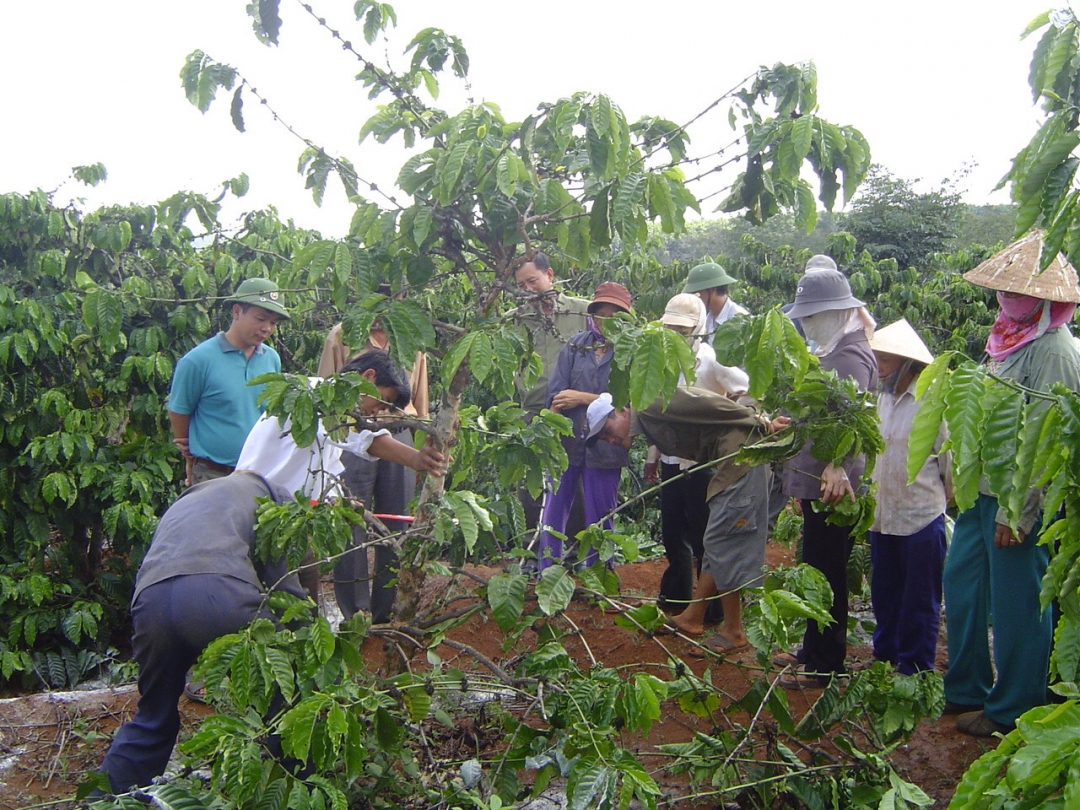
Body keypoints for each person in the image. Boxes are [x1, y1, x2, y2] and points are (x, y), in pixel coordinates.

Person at [943, 233, 1080, 737]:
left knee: (1019, 601)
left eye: (1018, 294)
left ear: (1046, 299)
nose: (1008, 301)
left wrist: (1017, 509)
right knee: (961, 582)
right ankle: (965, 688)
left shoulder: (1054, 350)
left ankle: (1016, 708)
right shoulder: (1006, 337)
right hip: (982, 489)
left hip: (1017, 498)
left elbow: (1047, 438)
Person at [97, 471, 308, 794]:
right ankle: (297, 789)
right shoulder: (276, 501)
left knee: (153, 717)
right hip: (217, 593)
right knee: (289, 697)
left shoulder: (193, 500)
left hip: (151, 603)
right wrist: (311, 647)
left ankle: (106, 799)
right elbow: (286, 589)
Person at [236, 351, 446, 625]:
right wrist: (415, 459)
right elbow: (364, 438)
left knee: (303, 602)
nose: (379, 411)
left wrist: (417, 460)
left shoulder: (335, 413)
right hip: (260, 514)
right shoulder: (313, 396)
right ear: (367, 377)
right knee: (276, 607)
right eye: (384, 399)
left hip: (292, 523)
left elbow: (355, 443)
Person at [588, 387, 788, 654]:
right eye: (602, 437)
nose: (608, 439)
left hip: (742, 459)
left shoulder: (649, 402)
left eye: (606, 430)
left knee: (725, 539)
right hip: (730, 462)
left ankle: (733, 631)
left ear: (622, 411)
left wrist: (760, 422)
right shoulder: (647, 421)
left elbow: (704, 400)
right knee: (716, 540)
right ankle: (694, 617)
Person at [779, 268, 878, 687]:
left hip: (832, 486)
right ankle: (813, 651)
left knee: (827, 571)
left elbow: (853, 418)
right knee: (817, 565)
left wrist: (837, 463)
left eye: (815, 315)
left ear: (838, 312)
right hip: (819, 479)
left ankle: (825, 664)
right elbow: (824, 413)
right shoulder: (836, 348)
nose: (809, 323)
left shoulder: (851, 355)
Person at [644, 294, 749, 615]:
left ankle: (712, 610)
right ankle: (675, 599)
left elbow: (744, 387)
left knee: (706, 535)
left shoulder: (710, 359)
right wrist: (653, 455)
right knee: (673, 532)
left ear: (698, 328)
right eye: (671, 328)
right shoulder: (661, 360)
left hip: (704, 462)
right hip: (673, 460)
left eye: (683, 329)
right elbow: (660, 413)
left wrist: (731, 419)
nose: (677, 335)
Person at [318, 321, 429, 623]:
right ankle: (355, 613)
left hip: (399, 432)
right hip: (354, 431)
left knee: (396, 523)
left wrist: (421, 450)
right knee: (351, 519)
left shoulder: (411, 333)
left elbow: (419, 400)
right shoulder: (342, 335)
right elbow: (327, 390)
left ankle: (387, 610)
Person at [868, 319, 951, 675]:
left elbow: (948, 462)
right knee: (884, 594)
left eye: (884, 360)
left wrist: (940, 503)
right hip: (883, 514)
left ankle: (915, 668)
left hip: (921, 515)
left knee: (919, 599)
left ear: (906, 363)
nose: (878, 367)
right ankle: (884, 655)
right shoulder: (882, 398)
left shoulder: (931, 402)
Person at [536, 282, 631, 570]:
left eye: (614, 316)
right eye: (600, 314)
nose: (605, 322)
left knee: (601, 515)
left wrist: (583, 398)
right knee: (554, 511)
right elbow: (555, 394)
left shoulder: (632, 352)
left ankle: (599, 577)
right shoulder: (575, 346)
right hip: (568, 441)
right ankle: (547, 570)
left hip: (607, 444)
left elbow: (630, 405)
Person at [168, 278, 289, 486]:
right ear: (236, 312)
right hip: (213, 475)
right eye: (260, 319)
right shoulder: (198, 361)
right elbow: (179, 409)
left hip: (259, 473)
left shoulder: (271, 359)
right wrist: (190, 457)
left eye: (273, 323)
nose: (266, 328)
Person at [509, 252, 591, 538]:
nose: (528, 289)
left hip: (574, 411)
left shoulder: (583, 311)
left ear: (550, 275)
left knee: (574, 480)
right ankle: (532, 549)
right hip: (533, 412)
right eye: (521, 285)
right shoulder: (515, 321)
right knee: (530, 480)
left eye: (533, 281)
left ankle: (575, 550)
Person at [681, 261, 748, 345]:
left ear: (713, 289)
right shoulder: (707, 319)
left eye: (697, 291)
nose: (695, 296)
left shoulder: (739, 318)